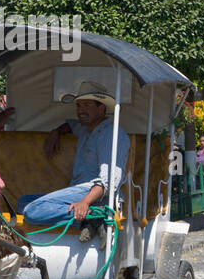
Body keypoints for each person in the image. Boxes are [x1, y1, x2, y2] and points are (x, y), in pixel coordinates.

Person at [19, 80, 129, 245]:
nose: (80, 110)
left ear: (101, 108)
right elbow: (71, 125)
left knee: (32, 211)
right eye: (78, 106)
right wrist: (56, 132)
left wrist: (85, 202)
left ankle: (94, 214)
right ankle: (88, 220)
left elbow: (110, 181)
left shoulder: (111, 134)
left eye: (86, 105)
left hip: (94, 194)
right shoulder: (86, 129)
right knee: (23, 201)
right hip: (78, 191)